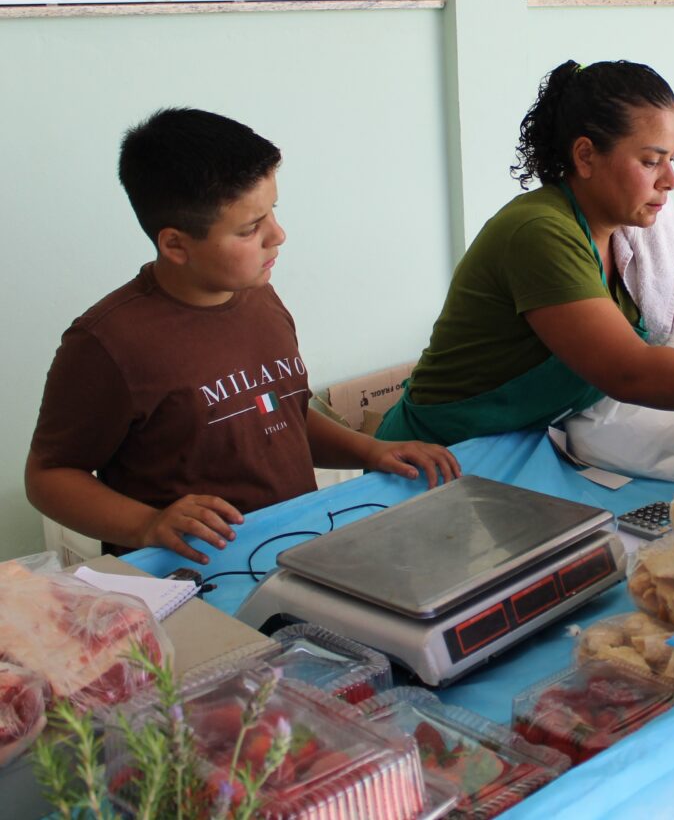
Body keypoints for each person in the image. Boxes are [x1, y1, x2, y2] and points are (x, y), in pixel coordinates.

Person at [25, 108, 459, 566]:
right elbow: (48, 476)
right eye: (250, 228)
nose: (278, 235)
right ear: (175, 245)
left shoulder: (259, 296)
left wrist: (373, 450)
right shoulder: (106, 344)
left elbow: (282, 412)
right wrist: (147, 524)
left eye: (273, 212)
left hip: (299, 549)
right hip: (194, 576)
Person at [377, 59, 674, 446]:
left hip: (527, 434)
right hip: (438, 452)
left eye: (673, 159)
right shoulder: (540, 234)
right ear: (585, 156)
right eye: (651, 161)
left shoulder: (634, 228)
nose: (671, 180)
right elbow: (630, 372)